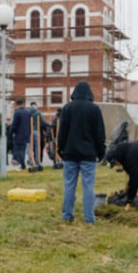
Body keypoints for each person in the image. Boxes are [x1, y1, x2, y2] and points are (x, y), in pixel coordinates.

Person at [56, 81, 106, 223]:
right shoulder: (94, 109)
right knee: (88, 186)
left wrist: (61, 149)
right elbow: (99, 133)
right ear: (89, 93)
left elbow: (62, 132)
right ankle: (89, 218)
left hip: (70, 153)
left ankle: (67, 216)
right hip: (89, 154)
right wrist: (101, 151)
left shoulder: (67, 108)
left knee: (69, 185)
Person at [9, 98, 32, 169]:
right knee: (23, 149)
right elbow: (30, 124)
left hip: (18, 134)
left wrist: (11, 131)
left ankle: (22, 164)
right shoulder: (28, 113)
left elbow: (14, 124)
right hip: (26, 134)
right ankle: (21, 163)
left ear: (16, 104)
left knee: (18, 149)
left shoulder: (17, 113)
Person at [28, 101, 45, 171]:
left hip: (29, 131)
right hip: (36, 130)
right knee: (37, 146)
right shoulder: (38, 113)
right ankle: (37, 160)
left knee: (30, 147)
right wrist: (49, 126)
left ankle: (31, 160)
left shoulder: (28, 112)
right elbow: (43, 122)